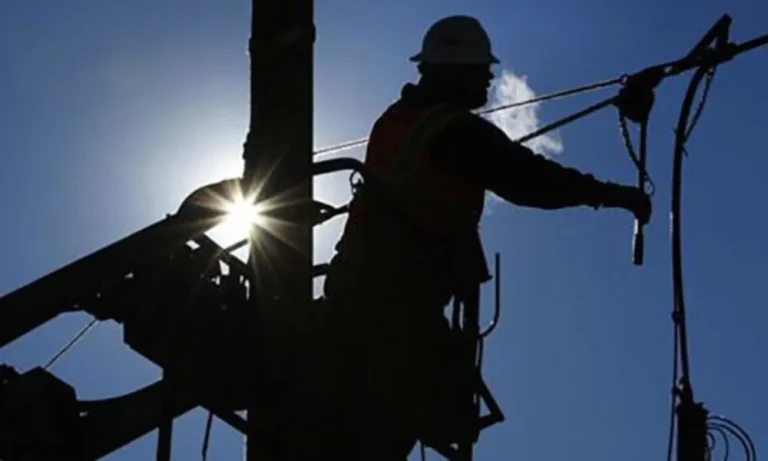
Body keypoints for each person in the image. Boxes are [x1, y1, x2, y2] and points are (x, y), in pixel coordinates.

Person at [322, 15, 652, 458]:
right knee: (390, 425)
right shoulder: (452, 132)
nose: (488, 81)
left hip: (360, 290)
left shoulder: (398, 121)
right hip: (396, 307)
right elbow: (530, 180)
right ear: (455, 69)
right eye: (481, 71)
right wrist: (613, 196)